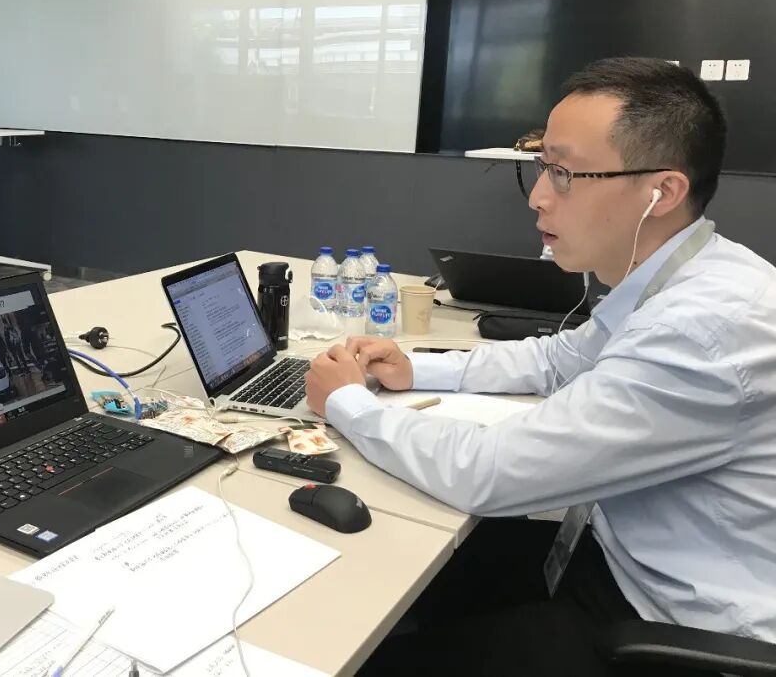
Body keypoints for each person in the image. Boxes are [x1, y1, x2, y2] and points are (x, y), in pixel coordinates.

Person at [304, 57, 776, 676]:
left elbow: (488, 473)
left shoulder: (703, 332)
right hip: (619, 559)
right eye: (542, 167)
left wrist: (348, 403)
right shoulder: (690, 272)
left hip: (666, 630)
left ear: (662, 192)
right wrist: (415, 370)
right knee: (412, 571)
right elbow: (563, 358)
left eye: (564, 172)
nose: (537, 197)